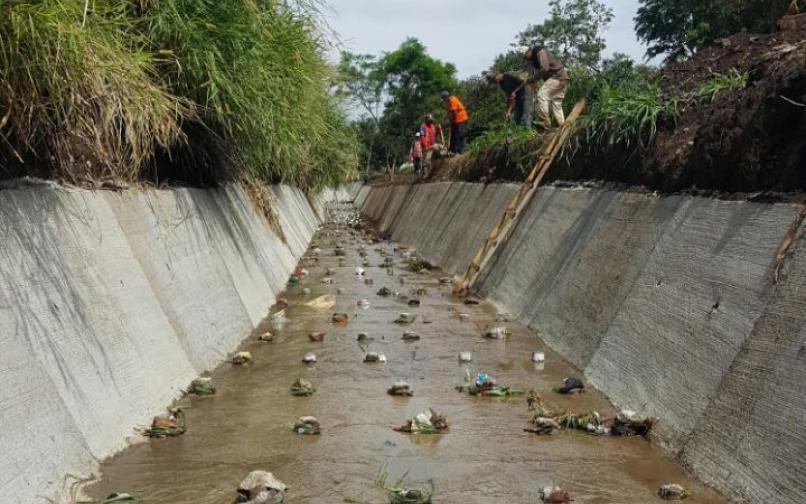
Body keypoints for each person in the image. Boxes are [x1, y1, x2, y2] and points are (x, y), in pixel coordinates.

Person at [521, 46, 568, 129]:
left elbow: (544, 69)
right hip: (562, 79)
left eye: (525, 56)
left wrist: (531, 79)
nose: (526, 59)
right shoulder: (534, 60)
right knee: (556, 104)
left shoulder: (539, 51)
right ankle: (563, 127)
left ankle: (545, 122)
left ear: (528, 51)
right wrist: (531, 82)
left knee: (541, 96)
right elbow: (539, 75)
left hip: (556, 77)